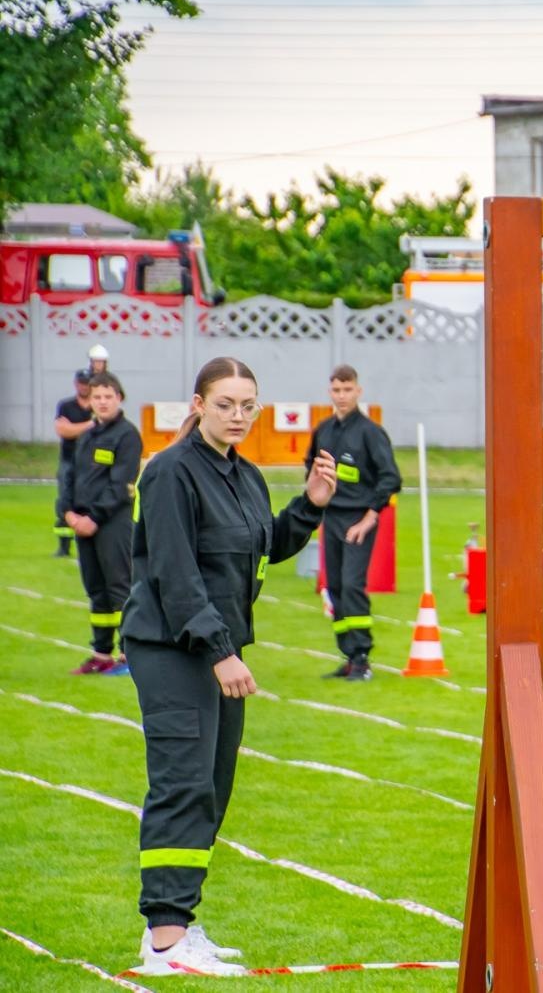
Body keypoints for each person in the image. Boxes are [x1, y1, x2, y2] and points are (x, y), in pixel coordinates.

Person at [123, 357, 336, 977]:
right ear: (198, 404)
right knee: (183, 783)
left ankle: (178, 926)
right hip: (174, 649)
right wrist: (219, 652)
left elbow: (260, 547)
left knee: (212, 787)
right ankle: (165, 943)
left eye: (248, 405)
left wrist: (312, 505)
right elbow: (175, 572)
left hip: (221, 651)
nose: (238, 415)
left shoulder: (244, 475)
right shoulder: (168, 473)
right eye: (225, 404)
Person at [305, 365, 401, 682]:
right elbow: (311, 467)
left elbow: (391, 479)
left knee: (351, 584)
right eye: (336, 390)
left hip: (359, 519)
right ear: (329, 392)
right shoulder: (324, 430)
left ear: (358, 391)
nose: (342, 396)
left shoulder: (371, 433)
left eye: (347, 390)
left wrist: (369, 518)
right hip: (330, 518)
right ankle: (347, 656)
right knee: (333, 588)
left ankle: (362, 659)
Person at [62, 372, 143, 675]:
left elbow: (121, 484)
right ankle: (101, 653)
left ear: (119, 398)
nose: (103, 402)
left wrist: (94, 517)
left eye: (108, 396)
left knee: (120, 587)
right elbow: (71, 478)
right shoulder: (87, 435)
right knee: (96, 590)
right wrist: (68, 513)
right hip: (82, 523)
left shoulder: (127, 435)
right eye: (97, 397)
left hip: (112, 523)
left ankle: (129, 655)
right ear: (90, 402)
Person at [52, 369, 96, 557]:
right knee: (64, 499)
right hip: (69, 459)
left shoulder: (96, 405)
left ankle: (88, 542)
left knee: (90, 501)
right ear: (76, 384)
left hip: (92, 462)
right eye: (81, 382)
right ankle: (64, 546)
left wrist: (73, 429)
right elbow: (62, 430)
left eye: (86, 383)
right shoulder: (66, 406)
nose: (83, 386)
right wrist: (88, 425)